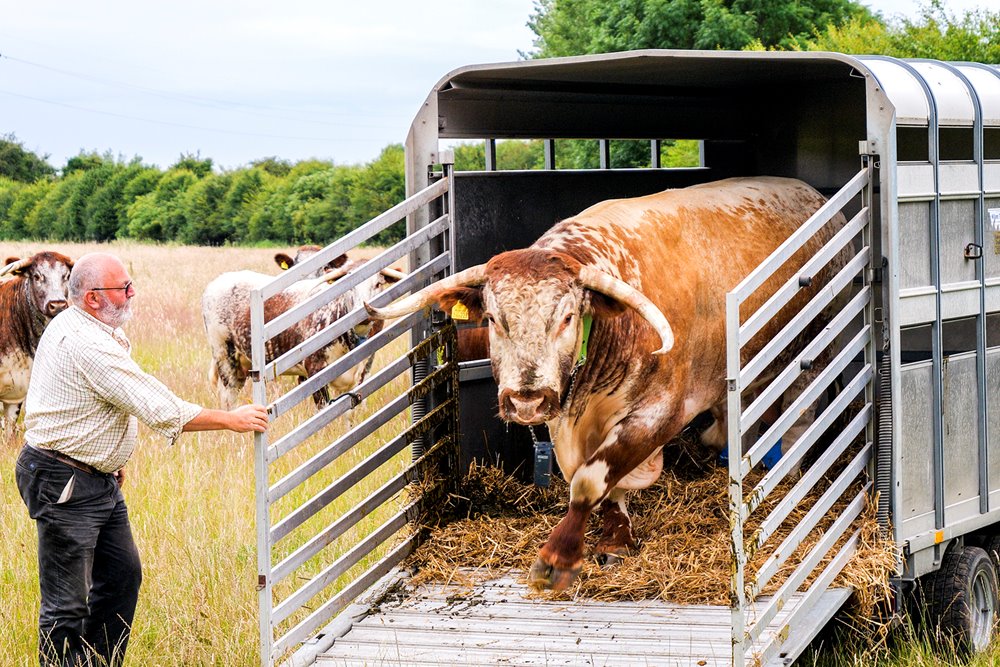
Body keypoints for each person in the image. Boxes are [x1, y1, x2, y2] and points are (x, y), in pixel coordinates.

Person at [14, 252, 269, 667]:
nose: (132, 294)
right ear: (93, 297)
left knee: (121, 577)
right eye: (123, 288)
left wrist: (110, 458)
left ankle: (97, 662)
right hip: (64, 478)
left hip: (94, 476)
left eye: (130, 285)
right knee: (66, 605)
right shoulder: (86, 341)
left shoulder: (86, 325)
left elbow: (84, 403)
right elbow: (157, 406)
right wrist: (230, 418)